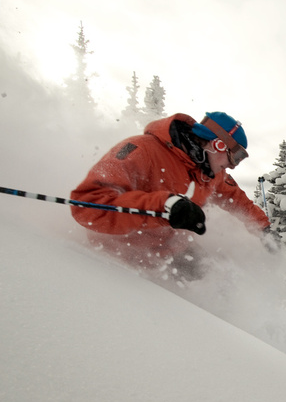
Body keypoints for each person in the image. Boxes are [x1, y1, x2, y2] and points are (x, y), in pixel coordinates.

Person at [70, 111, 273, 279]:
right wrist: (164, 207)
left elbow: (236, 199)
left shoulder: (212, 172)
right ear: (217, 144)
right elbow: (88, 205)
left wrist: (262, 227)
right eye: (235, 156)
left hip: (171, 251)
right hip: (123, 256)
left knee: (223, 282)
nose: (232, 165)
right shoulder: (142, 150)